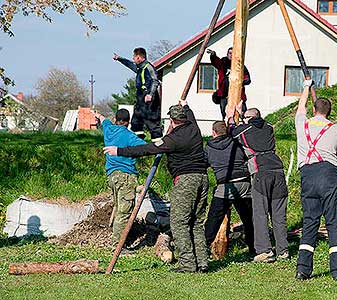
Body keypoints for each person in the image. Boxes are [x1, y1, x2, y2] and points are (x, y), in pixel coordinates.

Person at [103, 100, 209, 273]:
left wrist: (119, 151)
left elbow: (148, 149)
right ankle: (203, 262)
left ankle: (188, 264)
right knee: (196, 222)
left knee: (179, 223)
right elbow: (191, 115)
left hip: (186, 181)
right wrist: (186, 105)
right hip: (203, 178)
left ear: (172, 121)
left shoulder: (172, 140)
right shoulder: (194, 129)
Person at [294, 79, 337, 282]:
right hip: (329, 176)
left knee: (310, 222)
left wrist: (306, 87)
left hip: (307, 176)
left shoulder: (302, 124)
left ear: (314, 108)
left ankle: (303, 270)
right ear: (329, 111)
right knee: (335, 222)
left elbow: (300, 107)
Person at [226, 107, 289, 263]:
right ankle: (283, 251)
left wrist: (232, 117)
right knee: (278, 214)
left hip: (261, 171)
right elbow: (253, 123)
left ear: (248, 119)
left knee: (260, 213)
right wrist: (243, 115)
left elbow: (232, 131)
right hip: (278, 170)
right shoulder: (268, 127)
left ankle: (265, 251)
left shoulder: (245, 128)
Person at [204, 121, 255, 255]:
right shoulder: (236, 143)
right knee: (249, 219)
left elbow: (204, 163)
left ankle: (203, 249)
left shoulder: (209, 148)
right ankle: (254, 248)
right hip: (244, 183)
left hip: (224, 185)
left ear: (213, 132)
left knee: (213, 220)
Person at [98, 109, 146, 248]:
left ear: (115, 119)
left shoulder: (108, 129)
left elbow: (103, 120)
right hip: (125, 177)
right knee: (124, 213)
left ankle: (116, 238)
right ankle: (118, 246)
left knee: (119, 208)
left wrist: (99, 115)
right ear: (128, 121)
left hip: (112, 176)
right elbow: (147, 147)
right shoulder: (129, 136)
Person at [113, 48, 162, 139]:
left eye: (134, 57)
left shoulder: (148, 67)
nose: (133, 59)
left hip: (149, 101)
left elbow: (155, 81)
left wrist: (150, 94)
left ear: (139, 57)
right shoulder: (140, 68)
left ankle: (158, 149)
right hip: (140, 100)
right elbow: (130, 65)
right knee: (136, 123)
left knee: (152, 124)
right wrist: (119, 58)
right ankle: (138, 144)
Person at [207, 47, 251, 119]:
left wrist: (241, 82)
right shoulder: (223, 63)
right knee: (225, 114)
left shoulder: (240, 66)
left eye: (233, 53)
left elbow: (247, 79)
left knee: (243, 113)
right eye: (230, 53)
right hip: (224, 95)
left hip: (238, 95)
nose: (231, 55)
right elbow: (216, 62)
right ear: (227, 54)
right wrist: (213, 55)